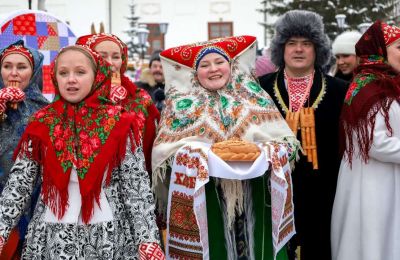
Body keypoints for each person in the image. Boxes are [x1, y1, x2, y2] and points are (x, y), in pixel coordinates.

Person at [0, 45, 164, 259]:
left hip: (107, 236)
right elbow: (19, 184)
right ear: (55, 77)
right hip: (51, 236)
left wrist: (147, 239)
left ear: (96, 76)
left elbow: (136, 187)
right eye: (63, 73)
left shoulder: (120, 123)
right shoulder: (42, 123)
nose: (71, 79)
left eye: (80, 72)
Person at [152, 35, 300, 259]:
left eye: (219, 62)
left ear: (230, 66)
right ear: (195, 73)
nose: (213, 69)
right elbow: (165, 154)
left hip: (255, 192)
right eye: (204, 65)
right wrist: (198, 155)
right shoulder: (180, 107)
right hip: (208, 195)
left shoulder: (255, 98)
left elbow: (285, 144)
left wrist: (269, 152)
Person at [258, 10, 348, 260]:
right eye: (292, 43)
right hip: (270, 191)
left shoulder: (340, 91)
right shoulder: (260, 88)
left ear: (317, 49)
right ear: (281, 48)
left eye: (306, 44)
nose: (299, 50)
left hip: (324, 194)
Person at [331, 21, 400, 260]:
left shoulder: (386, 84)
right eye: (399, 47)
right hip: (374, 186)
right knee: (373, 243)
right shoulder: (370, 89)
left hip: (384, 181)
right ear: (380, 50)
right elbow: (374, 143)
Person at [75, 33, 160, 173]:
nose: (110, 63)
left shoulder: (140, 99)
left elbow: (153, 144)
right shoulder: (75, 96)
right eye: (102, 56)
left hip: (135, 181)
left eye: (116, 57)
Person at [0, 40, 49, 259]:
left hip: (33, 202)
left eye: (21, 67)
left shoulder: (45, 111)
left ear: (34, 71)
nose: (13, 73)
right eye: (7, 66)